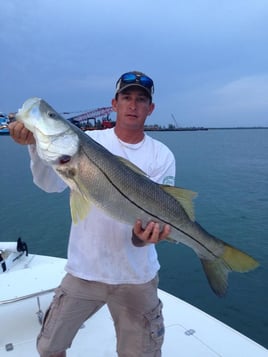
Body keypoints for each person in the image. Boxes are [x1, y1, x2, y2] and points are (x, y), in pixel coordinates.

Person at [9, 71, 176, 357]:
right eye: (126, 98)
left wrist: (142, 238)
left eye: (140, 100)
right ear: (114, 103)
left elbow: (150, 229)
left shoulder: (161, 156)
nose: (133, 105)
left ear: (151, 108)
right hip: (84, 271)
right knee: (49, 348)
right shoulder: (87, 140)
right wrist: (36, 148)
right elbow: (50, 185)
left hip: (137, 277)